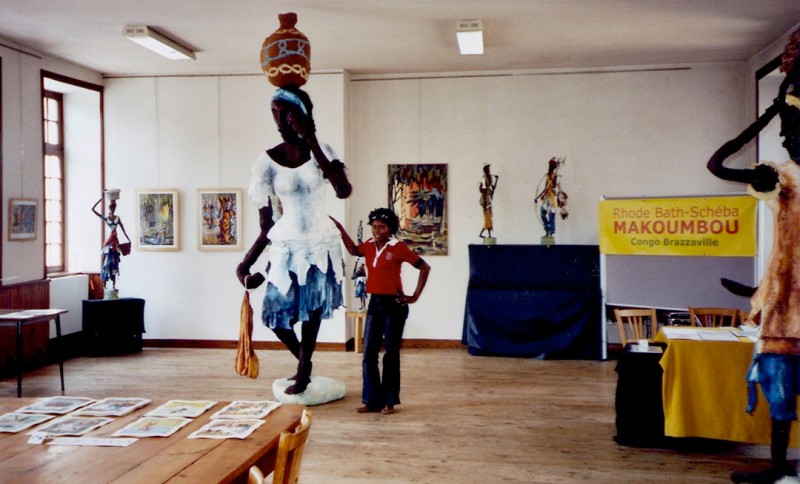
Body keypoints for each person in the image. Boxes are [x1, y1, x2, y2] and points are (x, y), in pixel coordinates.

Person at [707, 28, 800, 484]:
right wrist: (769, 113)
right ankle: (781, 467)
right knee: (780, 387)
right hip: (786, 306)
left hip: (785, 302)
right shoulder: (781, 177)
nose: (791, 132)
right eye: (789, 124)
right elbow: (718, 165)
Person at [236, 85, 352, 395]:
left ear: (299, 115)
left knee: (311, 310)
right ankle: (305, 362)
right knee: (275, 316)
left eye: (284, 112)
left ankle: (303, 369)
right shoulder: (266, 161)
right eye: (273, 112)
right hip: (286, 246)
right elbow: (267, 225)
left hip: (319, 243)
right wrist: (245, 263)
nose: (278, 119)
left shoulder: (322, 150)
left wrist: (310, 138)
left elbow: (343, 190)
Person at [331, 208, 430, 414]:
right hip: (375, 304)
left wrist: (415, 296)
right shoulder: (368, 246)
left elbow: (424, 267)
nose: (377, 230)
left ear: (390, 228)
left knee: (391, 355)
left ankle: (390, 401)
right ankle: (371, 400)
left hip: (395, 306)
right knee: (368, 354)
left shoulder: (398, 248)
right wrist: (340, 229)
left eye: (381, 227)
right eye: (374, 226)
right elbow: (353, 250)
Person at [91, 194, 131, 292]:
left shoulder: (109, 218)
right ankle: (109, 282)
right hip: (112, 240)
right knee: (112, 262)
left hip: (112, 241)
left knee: (112, 261)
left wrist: (100, 199)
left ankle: (109, 282)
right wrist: (128, 239)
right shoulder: (114, 218)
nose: (112, 210)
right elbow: (123, 230)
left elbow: (93, 210)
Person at [478, 163, 498, 238]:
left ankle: (488, 235)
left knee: (489, 217)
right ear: (484, 169)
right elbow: (480, 189)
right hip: (485, 200)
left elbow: (493, 189)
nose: (489, 170)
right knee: (487, 218)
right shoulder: (483, 178)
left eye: (489, 168)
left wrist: (496, 180)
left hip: (488, 199)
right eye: (487, 168)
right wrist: (487, 190)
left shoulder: (490, 177)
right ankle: (484, 234)